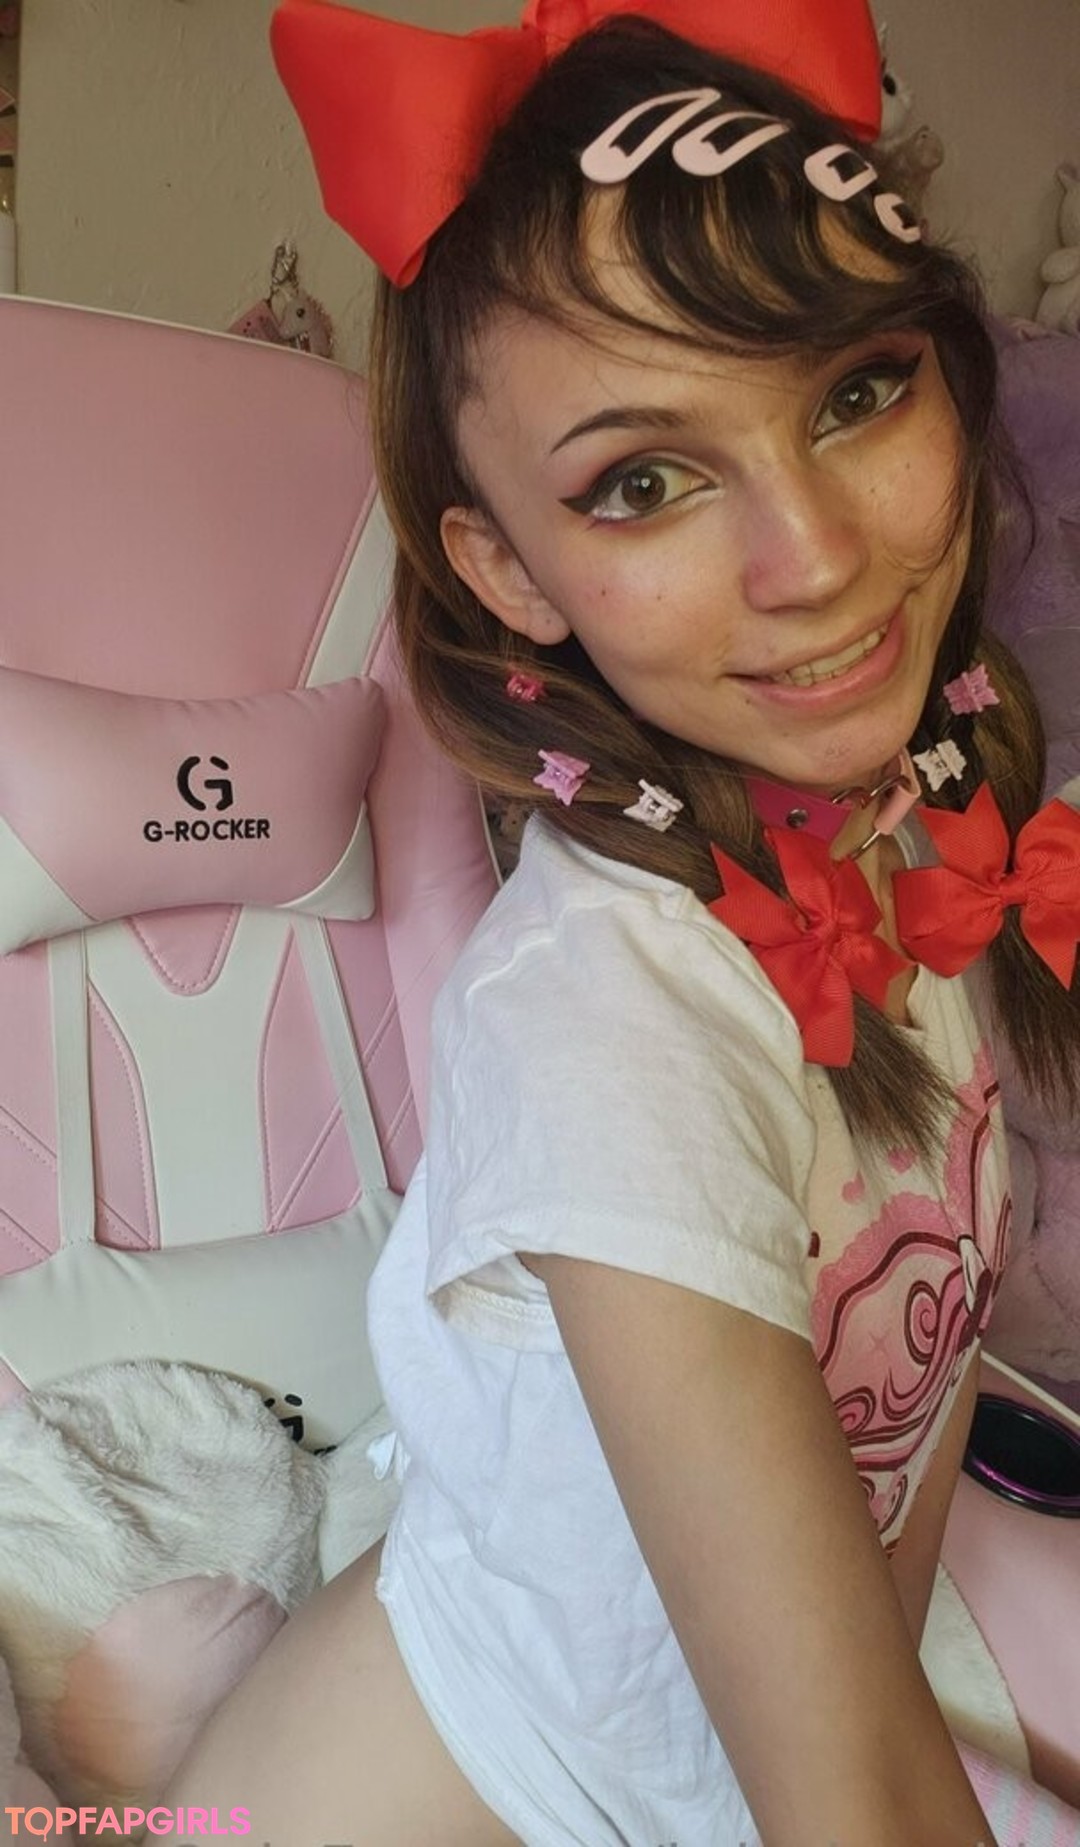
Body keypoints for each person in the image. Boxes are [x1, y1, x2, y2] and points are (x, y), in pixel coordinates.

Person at [163, 1, 1080, 1842]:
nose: (816, 558)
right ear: (506, 566)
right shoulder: (613, 1023)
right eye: (644, 481)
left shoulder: (913, 837)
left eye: (857, 390)